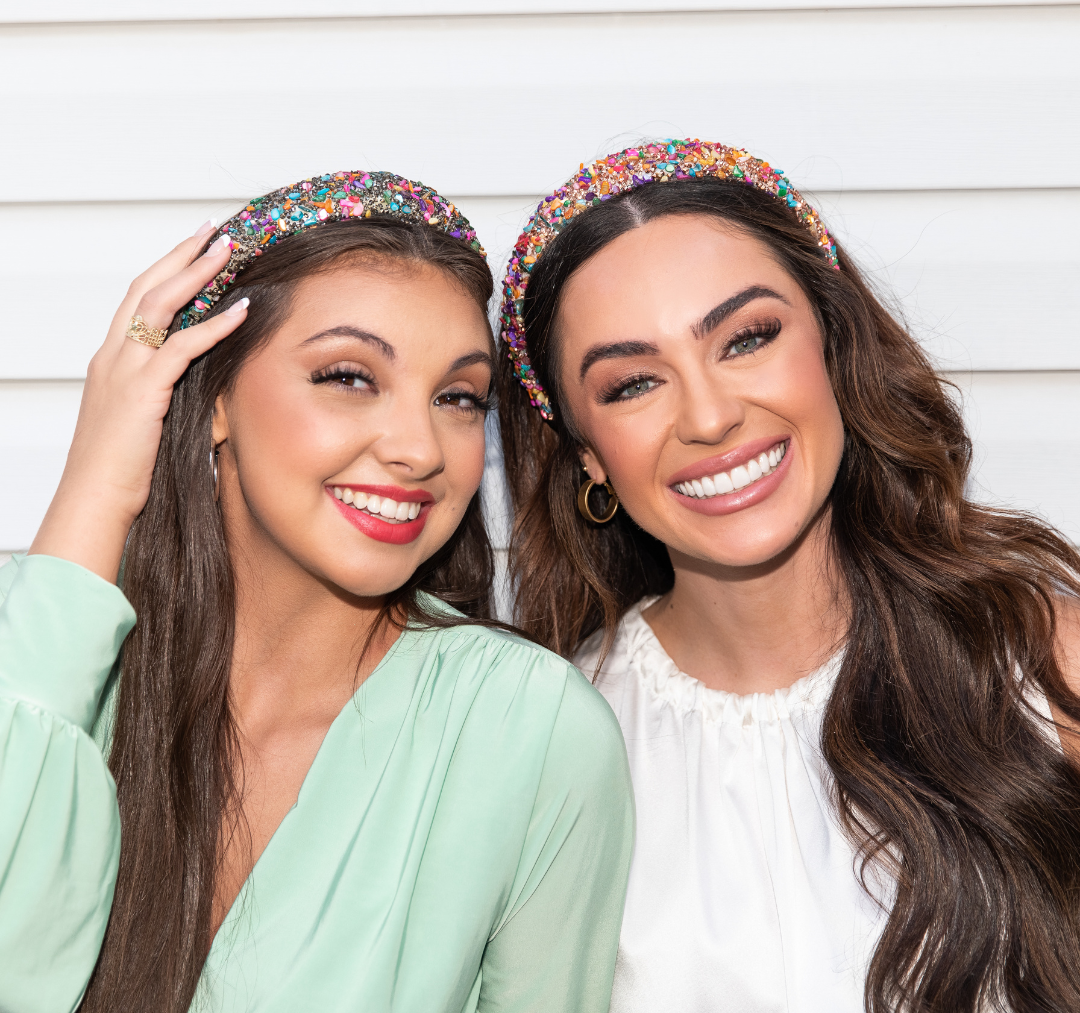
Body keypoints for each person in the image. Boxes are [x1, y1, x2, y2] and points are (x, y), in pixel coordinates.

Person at [0, 170, 633, 1013]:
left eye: (457, 398)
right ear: (212, 395)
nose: (419, 449)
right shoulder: (40, 656)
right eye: (348, 376)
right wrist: (97, 487)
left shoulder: (532, 732)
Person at [496, 141, 1080, 1013]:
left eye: (747, 339)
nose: (709, 416)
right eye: (633, 384)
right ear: (588, 456)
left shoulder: (1044, 663)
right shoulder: (553, 750)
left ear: (834, 344)